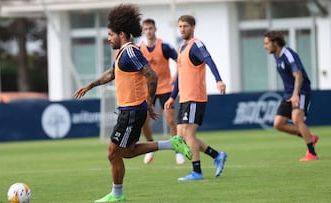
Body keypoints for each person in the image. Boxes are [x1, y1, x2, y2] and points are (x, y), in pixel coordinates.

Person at [74, 4, 192, 202]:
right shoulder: (122, 53)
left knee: (114, 153)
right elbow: (112, 73)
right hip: (128, 111)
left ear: (121, 33)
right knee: (126, 152)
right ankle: (172, 143)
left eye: (110, 34)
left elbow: (151, 75)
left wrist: (149, 104)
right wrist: (91, 85)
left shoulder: (130, 52)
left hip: (132, 111)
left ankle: (117, 195)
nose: (108, 38)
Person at [164, 15, 228, 181]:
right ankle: (217, 155)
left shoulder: (196, 45)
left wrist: (219, 80)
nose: (182, 29)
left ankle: (197, 171)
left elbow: (209, 60)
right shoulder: (180, 47)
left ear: (193, 27)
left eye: (185, 26)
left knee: (189, 134)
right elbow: (180, 76)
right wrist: (172, 97)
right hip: (184, 98)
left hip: (195, 97)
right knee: (181, 138)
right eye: (180, 26)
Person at [263, 30, 319, 161]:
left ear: (275, 43)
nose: (265, 46)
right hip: (289, 92)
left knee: (297, 119)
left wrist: (295, 95)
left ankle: (312, 153)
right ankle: (310, 137)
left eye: (266, 43)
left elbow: (298, 75)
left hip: (301, 91)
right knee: (278, 124)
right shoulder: (276, 55)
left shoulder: (288, 54)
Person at [140, 18, 185, 165]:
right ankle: (150, 146)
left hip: (165, 87)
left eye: (151, 28)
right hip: (148, 90)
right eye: (146, 29)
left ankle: (178, 150)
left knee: (171, 120)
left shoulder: (164, 46)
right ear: (143, 31)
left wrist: (175, 76)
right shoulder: (139, 48)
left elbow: (180, 60)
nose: (148, 31)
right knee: (143, 121)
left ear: (155, 29)